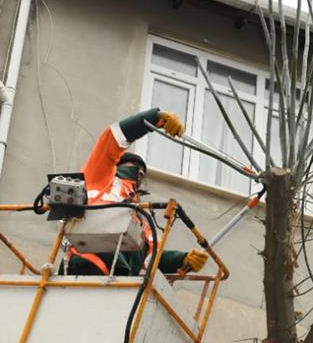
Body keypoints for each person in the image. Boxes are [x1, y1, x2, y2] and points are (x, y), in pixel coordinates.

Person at [66, 107, 208, 277]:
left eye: (142, 172)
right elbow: (113, 138)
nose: (139, 174)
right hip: (90, 264)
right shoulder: (101, 177)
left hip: (122, 280)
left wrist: (182, 259)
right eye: (134, 169)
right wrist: (156, 119)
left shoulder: (142, 216)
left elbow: (150, 259)